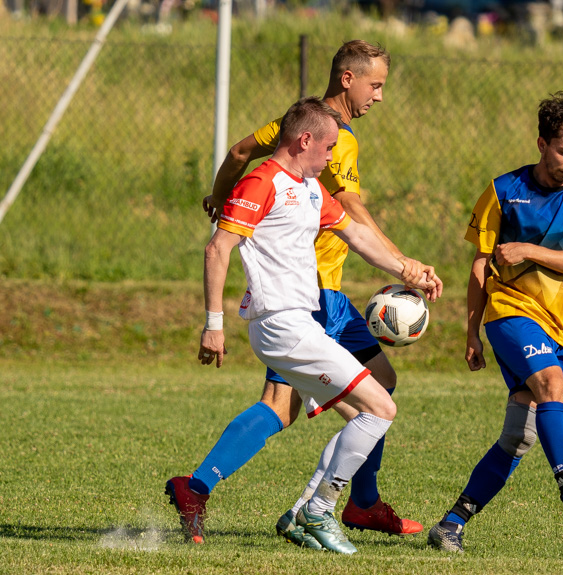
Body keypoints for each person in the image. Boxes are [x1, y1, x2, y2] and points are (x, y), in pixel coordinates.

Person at [168, 41, 433, 549]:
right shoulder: (305, 155)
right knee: (371, 407)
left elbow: (348, 226)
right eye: (376, 85)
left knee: (346, 402)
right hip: (300, 309)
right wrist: (214, 321)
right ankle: (323, 509)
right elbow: (224, 243)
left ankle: (315, 502)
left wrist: (409, 268)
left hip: (309, 309)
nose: (379, 97)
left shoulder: (307, 173)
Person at [427, 92, 563, 553]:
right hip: (509, 312)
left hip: (560, 324)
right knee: (550, 383)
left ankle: (451, 524)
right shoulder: (503, 191)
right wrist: (471, 331)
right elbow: (479, 268)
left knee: (520, 436)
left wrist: (528, 250)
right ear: (541, 143)